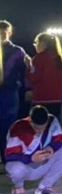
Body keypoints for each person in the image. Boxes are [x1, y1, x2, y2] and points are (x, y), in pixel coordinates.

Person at [5, 105, 62, 194]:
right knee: (16, 168)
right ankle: (18, 187)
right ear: (30, 121)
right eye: (36, 128)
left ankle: (45, 187)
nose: (40, 131)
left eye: (43, 128)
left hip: (42, 165)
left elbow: (60, 141)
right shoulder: (18, 127)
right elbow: (10, 156)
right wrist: (31, 158)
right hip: (25, 168)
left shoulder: (52, 121)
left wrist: (51, 148)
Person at [0, 20, 29, 167]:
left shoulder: (18, 51)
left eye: (3, 33)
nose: (1, 35)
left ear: (9, 33)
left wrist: (29, 89)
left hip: (9, 93)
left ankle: (7, 160)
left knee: (8, 127)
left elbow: (25, 72)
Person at [25, 32, 62, 118]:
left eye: (36, 43)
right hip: (56, 99)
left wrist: (29, 66)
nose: (35, 46)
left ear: (43, 43)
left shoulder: (39, 58)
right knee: (52, 123)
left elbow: (34, 77)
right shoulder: (58, 58)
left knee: (38, 123)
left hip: (41, 99)